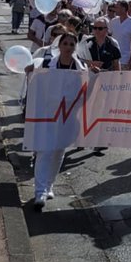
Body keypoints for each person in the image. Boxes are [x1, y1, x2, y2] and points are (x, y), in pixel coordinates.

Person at [27, 33, 87, 209]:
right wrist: (29, 71)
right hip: (47, 114)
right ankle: (40, 192)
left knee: (59, 151)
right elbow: (34, 83)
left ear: (75, 47)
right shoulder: (46, 64)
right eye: (65, 43)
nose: (68, 47)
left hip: (69, 116)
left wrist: (94, 76)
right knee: (44, 150)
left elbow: (87, 91)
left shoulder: (81, 68)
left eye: (71, 44)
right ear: (59, 46)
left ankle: (49, 184)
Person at [110, 0, 131, 70]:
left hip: (125, 60)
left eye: (117, 7)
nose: (115, 9)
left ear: (123, 9)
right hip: (112, 59)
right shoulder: (113, 21)